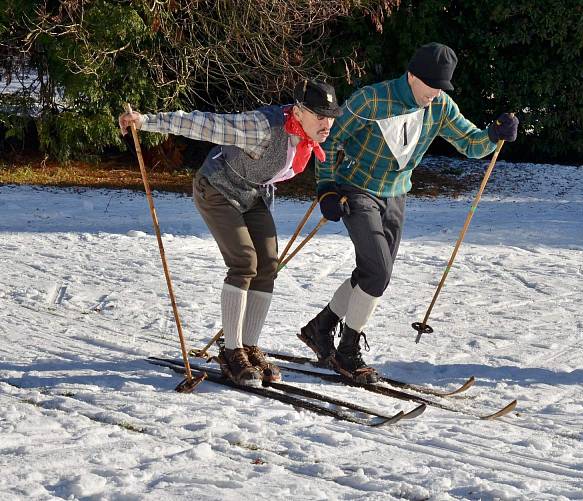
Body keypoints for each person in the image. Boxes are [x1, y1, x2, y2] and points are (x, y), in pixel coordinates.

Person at [298, 43, 519, 384]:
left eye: (441, 87)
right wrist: (326, 186)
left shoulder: (440, 106)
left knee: (370, 273)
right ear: (412, 76)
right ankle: (347, 353)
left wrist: (493, 134)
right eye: (431, 85)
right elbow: (327, 139)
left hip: (396, 195)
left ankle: (320, 326)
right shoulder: (372, 100)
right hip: (357, 189)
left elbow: (471, 144)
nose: (435, 93)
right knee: (379, 273)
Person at [119, 80, 343, 387]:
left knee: (268, 265)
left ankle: (249, 346)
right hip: (217, 188)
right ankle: (232, 350)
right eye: (320, 115)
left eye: (331, 116)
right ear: (300, 111)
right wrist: (146, 122)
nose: (327, 123)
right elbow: (206, 124)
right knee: (244, 261)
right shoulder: (261, 127)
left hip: (251, 194)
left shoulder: (311, 134)